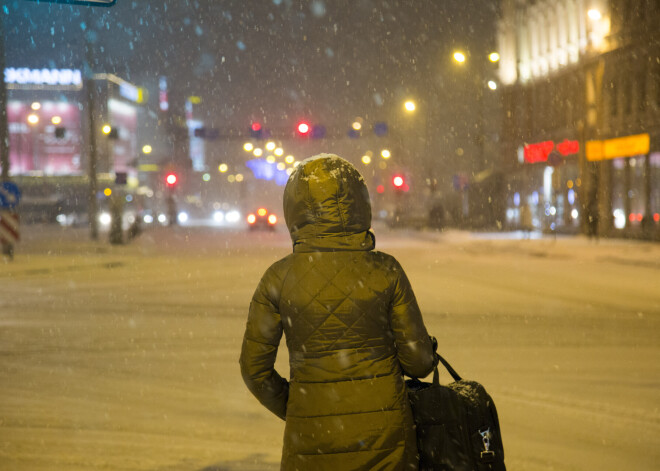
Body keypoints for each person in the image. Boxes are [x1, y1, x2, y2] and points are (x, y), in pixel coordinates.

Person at [239, 153, 436, 470]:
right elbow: (420, 362)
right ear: (360, 205)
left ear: (295, 210)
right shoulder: (386, 271)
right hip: (387, 444)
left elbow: (254, 371)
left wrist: (300, 408)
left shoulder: (278, 278)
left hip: (310, 445)